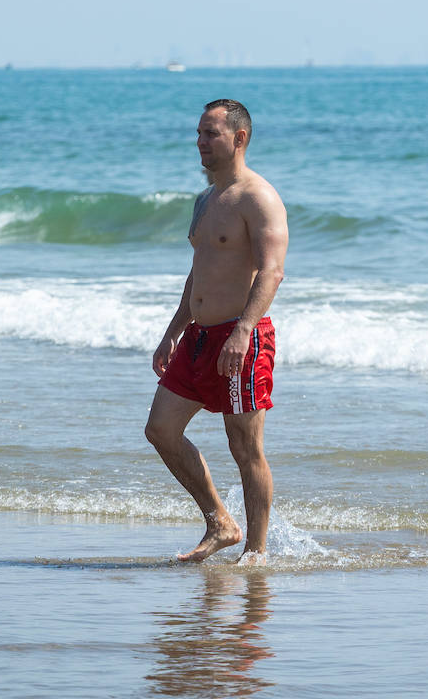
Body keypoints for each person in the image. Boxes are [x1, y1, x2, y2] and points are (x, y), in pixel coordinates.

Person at [145, 99, 288, 564]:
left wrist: (243, 330)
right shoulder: (206, 199)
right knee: (161, 429)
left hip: (240, 336)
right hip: (199, 337)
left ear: (239, 138)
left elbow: (271, 272)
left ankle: (257, 551)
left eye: (211, 134)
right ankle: (221, 523)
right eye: (199, 134)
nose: (200, 142)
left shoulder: (258, 197)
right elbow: (198, 272)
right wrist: (173, 331)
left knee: (244, 446)